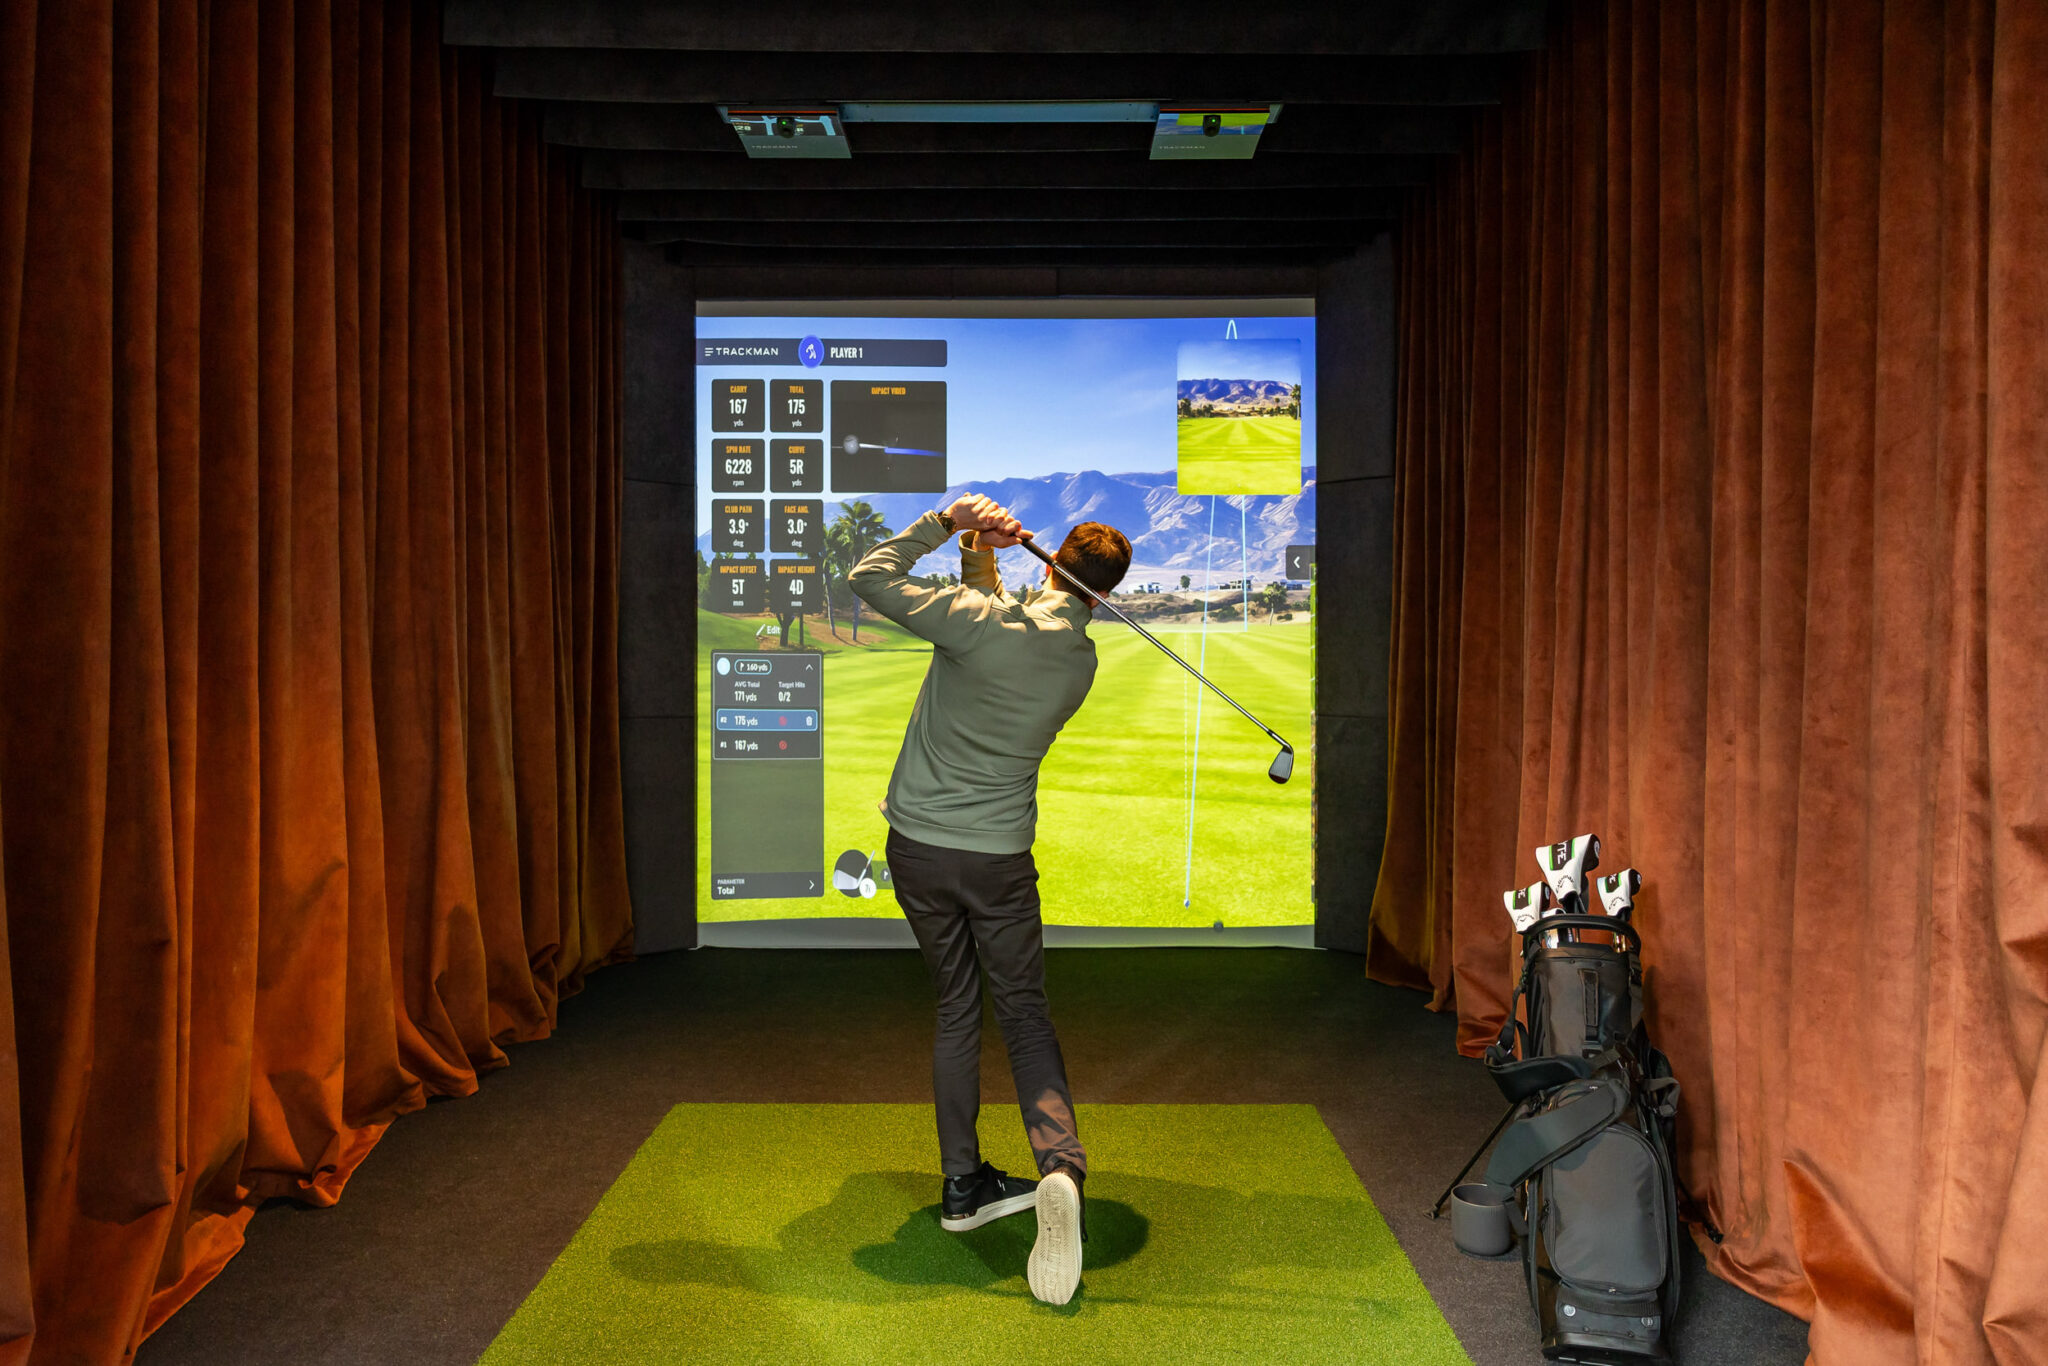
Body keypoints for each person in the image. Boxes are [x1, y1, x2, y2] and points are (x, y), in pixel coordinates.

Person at [848, 493, 1131, 1307]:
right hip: (999, 862)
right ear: (1102, 593)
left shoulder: (979, 623)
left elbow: (870, 576)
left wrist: (945, 524)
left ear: (1054, 563)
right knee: (1026, 1017)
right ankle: (1059, 1167)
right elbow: (1004, 621)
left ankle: (962, 1185)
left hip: (919, 852)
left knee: (957, 1008)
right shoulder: (1077, 662)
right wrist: (982, 553)